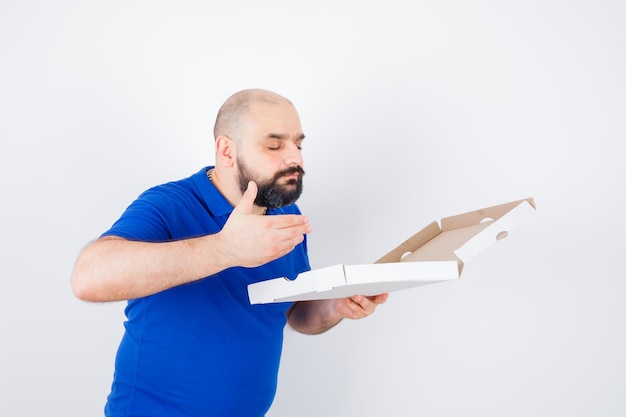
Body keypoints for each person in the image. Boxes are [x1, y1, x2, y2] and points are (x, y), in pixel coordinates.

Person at [71, 88, 389, 417]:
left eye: (298, 143)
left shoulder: (287, 216)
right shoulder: (169, 205)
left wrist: (335, 305)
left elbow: (294, 311)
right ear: (227, 151)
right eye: (275, 145)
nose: (294, 158)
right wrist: (226, 249)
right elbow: (89, 277)